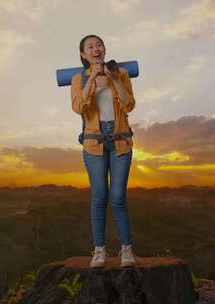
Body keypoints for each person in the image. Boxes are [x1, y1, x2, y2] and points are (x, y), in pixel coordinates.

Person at [70, 34, 137, 268]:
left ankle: (126, 250)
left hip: (120, 141)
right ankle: (99, 250)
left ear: (104, 49)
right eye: (90, 47)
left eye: (99, 45)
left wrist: (113, 79)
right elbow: (79, 107)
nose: (96, 49)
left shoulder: (121, 74)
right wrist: (93, 79)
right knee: (99, 198)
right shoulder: (78, 78)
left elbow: (129, 104)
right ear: (83, 55)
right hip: (94, 144)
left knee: (118, 198)